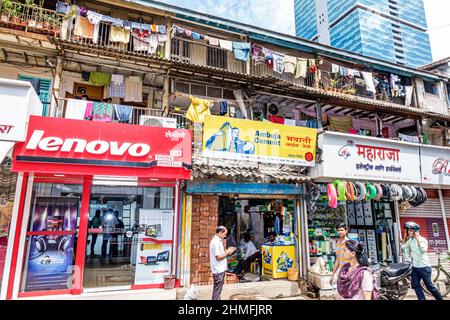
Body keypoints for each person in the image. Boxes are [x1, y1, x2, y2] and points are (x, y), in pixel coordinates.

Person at [401, 221, 443, 300]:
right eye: (408, 230)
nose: (408, 232)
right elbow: (403, 247)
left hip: (424, 267)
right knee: (415, 285)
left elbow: (423, 249)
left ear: (416, 230)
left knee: (429, 286)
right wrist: (404, 238)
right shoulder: (411, 240)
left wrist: (417, 238)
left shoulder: (423, 239)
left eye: (410, 230)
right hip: (415, 267)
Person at [209, 226, 236, 300]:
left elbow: (220, 254)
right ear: (220, 233)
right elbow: (218, 257)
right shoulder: (216, 242)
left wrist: (227, 251)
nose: (225, 236)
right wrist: (227, 252)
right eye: (225, 234)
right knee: (217, 291)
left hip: (219, 269)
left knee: (217, 290)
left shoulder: (218, 241)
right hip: (218, 269)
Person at [329, 223, 350, 288]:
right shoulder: (338, 243)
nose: (340, 232)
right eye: (338, 230)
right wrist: (333, 274)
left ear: (346, 231)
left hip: (348, 271)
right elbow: (337, 260)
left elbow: (352, 259)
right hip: (341, 271)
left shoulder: (348, 243)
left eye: (342, 230)